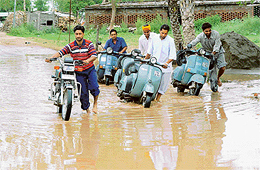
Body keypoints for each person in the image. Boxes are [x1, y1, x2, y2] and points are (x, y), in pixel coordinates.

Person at [45, 25, 100, 114]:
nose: (78, 36)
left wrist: (87, 60)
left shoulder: (89, 44)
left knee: (94, 87)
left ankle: (95, 104)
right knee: (83, 93)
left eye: (80, 34)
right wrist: (51, 58)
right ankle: (87, 110)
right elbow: (60, 52)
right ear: (74, 34)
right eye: (76, 34)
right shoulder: (71, 46)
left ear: (83, 34)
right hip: (78, 71)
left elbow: (94, 55)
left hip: (89, 69)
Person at [187, 22, 227, 87]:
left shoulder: (216, 34)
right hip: (208, 53)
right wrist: (189, 45)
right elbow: (195, 41)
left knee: (222, 67)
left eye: (209, 30)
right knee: (211, 69)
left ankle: (218, 78)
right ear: (203, 31)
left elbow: (217, 45)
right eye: (206, 31)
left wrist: (213, 53)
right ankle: (212, 83)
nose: (208, 32)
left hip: (218, 52)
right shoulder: (200, 36)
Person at [145, 24, 176, 102]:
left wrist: (167, 63)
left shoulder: (170, 40)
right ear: (159, 31)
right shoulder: (154, 39)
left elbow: (172, 55)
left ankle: (158, 99)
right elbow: (149, 52)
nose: (164, 35)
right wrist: (144, 61)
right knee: (151, 81)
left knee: (163, 85)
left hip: (165, 67)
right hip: (155, 65)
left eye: (166, 33)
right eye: (162, 33)